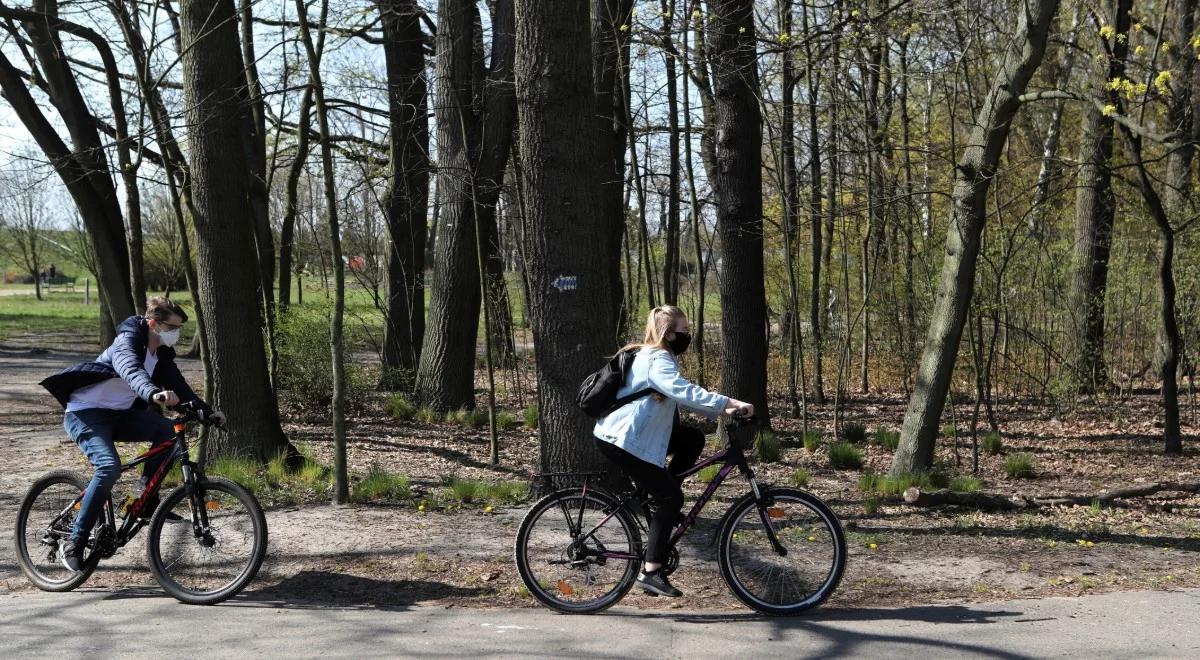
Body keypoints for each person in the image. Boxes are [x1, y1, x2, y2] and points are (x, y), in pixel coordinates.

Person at [40, 297, 224, 572]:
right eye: (173, 327)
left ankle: (143, 501)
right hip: (86, 412)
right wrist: (153, 392)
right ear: (153, 323)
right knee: (109, 467)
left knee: (167, 433)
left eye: (180, 328)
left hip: (120, 415)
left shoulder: (160, 354)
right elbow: (131, 371)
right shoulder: (126, 342)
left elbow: (181, 388)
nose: (177, 334)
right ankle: (75, 542)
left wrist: (207, 412)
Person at [593, 305, 753, 598]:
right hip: (624, 439)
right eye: (684, 331)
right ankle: (651, 571)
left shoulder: (650, 355)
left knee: (691, 439)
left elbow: (682, 398)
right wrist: (729, 401)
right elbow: (683, 391)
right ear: (668, 334)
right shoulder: (658, 359)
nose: (688, 336)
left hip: (631, 435)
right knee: (671, 496)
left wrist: (722, 410)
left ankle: (659, 504)